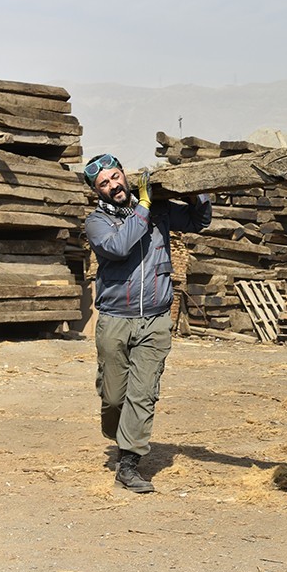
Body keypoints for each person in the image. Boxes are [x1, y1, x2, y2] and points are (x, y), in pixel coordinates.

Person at [83, 153, 212, 493]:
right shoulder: (96, 222)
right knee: (114, 398)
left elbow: (200, 221)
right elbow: (119, 246)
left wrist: (194, 190)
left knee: (143, 394)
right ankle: (118, 429)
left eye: (115, 177)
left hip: (155, 319)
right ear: (98, 191)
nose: (113, 186)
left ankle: (129, 462)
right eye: (104, 184)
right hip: (115, 319)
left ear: (125, 175)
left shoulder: (159, 212)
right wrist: (143, 206)